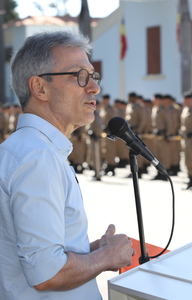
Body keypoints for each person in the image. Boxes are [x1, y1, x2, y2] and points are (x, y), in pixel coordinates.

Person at [0, 31, 134, 300]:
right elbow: (47, 273)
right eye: (79, 76)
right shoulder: (37, 157)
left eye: (94, 76)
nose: (94, 88)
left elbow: (34, 251)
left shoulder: (27, 149)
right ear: (40, 88)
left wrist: (93, 250)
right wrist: (107, 257)